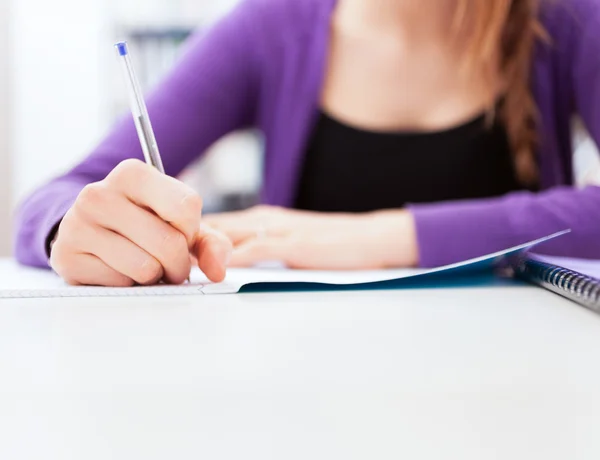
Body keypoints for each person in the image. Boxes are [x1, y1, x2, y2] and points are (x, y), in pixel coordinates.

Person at [13, 0, 600, 287]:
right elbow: (53, 199)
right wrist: (73, 228)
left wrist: (386, 236)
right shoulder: (269, 30)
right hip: (306, 399)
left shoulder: (568, 20)